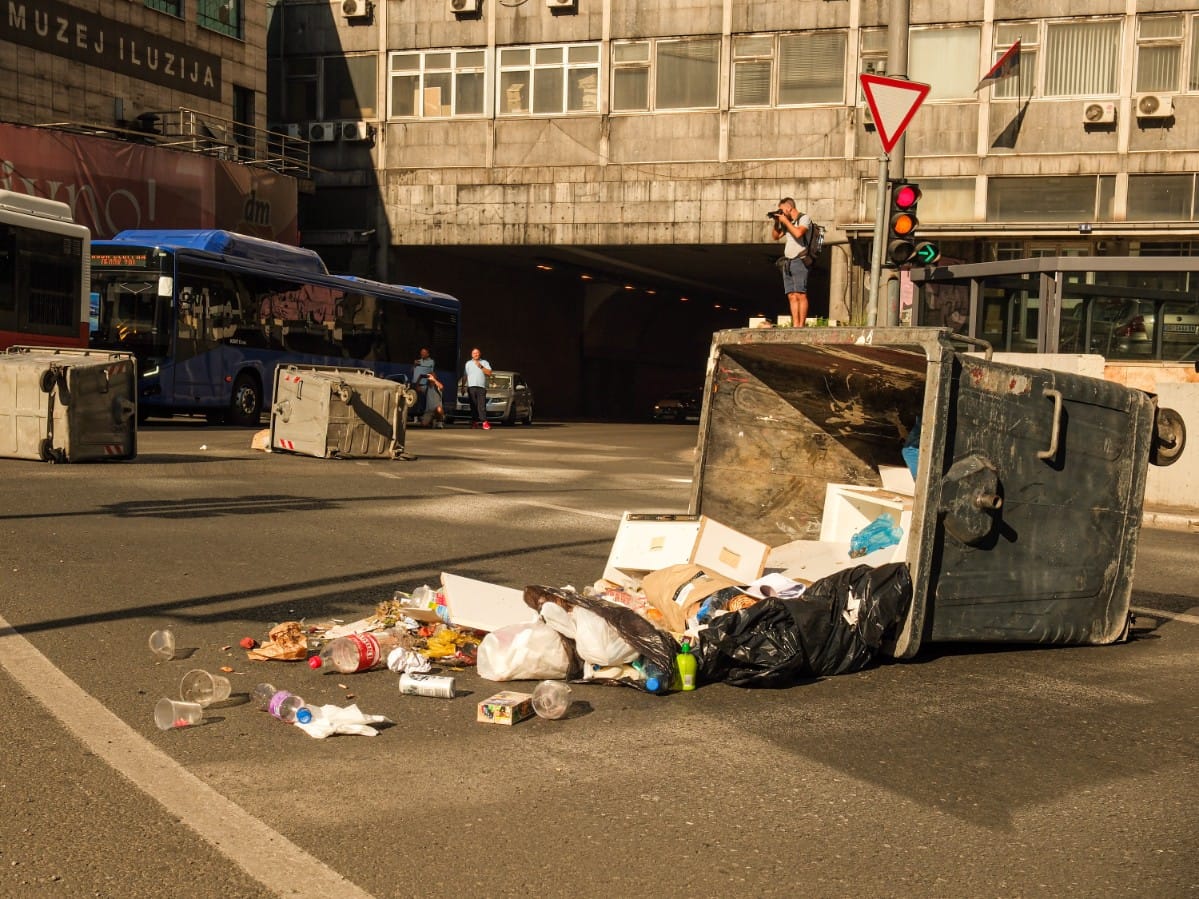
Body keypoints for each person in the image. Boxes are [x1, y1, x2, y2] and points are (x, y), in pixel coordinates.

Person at [769, 197, 812, 327]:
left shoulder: (804, 218)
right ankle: (795, 324)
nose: (781, 212)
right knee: (791, 295)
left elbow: (799, 233)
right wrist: (777, 222)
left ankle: (801, 325)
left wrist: (786, 222)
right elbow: (775, 236)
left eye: (782, 210)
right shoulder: (787, 222)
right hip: (788, 261)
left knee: (800, 293)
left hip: (800, 259)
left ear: (789, 207)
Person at [464, 347, 493, 430]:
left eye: (477, 353)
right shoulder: (468, 363)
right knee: (473, 405)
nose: (475, 354)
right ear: (471, 355)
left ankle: (484, 423)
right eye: (474, 353)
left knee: (481, 406)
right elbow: (465, 376)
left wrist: (480, 366)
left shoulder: (484, 362)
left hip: (481, 387)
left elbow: (489, 373)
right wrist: (463, 386)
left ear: (479, 354)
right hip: (471, 387)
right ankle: (474, 422)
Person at [412, 348, 436, 419]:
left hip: (424, 384)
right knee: (415, 400)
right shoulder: (418, 361)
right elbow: (412, 371)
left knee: (423, 400)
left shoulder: (431, 362)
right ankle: (415, 416)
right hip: (415, 383)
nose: (422, 354)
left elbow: (430, 373)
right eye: (421, 352)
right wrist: (414, 365)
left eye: (424, 352)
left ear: (428, 354)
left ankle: (423, 415)